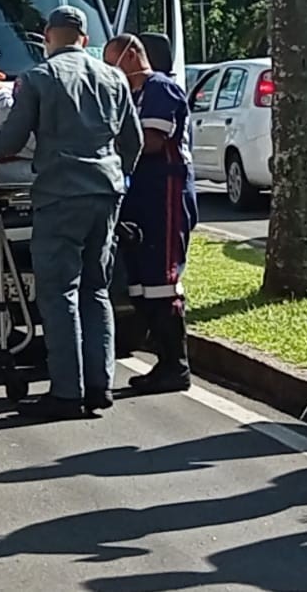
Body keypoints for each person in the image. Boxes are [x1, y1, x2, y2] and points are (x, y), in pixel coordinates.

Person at [0, 6, 143, 421]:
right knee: (96, 289)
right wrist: (120, 175)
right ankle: (99, 386)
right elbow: (134, 140)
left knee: (60, 293)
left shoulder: (38, 79)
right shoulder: (114, 77)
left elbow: (10, 140)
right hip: (106, 194)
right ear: (85, 39)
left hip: (60, 195)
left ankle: (66, 392)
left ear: (47, 36)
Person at [103, 34, 196, 396]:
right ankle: (163, 361)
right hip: (139, 195)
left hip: (165, 193)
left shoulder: (161, 89)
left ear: (129, 56)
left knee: (163, 279)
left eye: (112, 62)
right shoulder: (131, 95)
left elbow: (152, 141)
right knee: (141, 284)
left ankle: (176, 365)